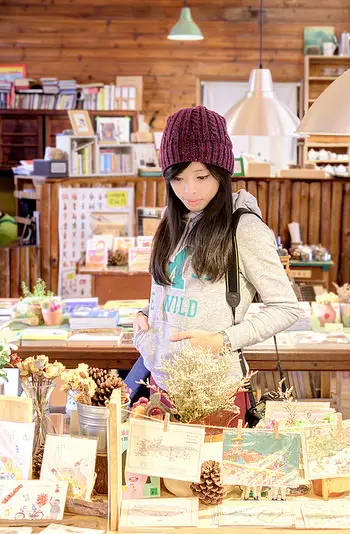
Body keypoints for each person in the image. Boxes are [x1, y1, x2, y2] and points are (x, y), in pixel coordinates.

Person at [129, 106, 301, 411]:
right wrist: (146, 315)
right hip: (160, 383)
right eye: (177, 178)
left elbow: (286, 308)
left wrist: (222, 340)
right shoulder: (171, 221)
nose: (189, 190)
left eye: (201, 176)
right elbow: (177, 289)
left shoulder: (244, 228)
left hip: (215, 392)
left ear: (222, 173)